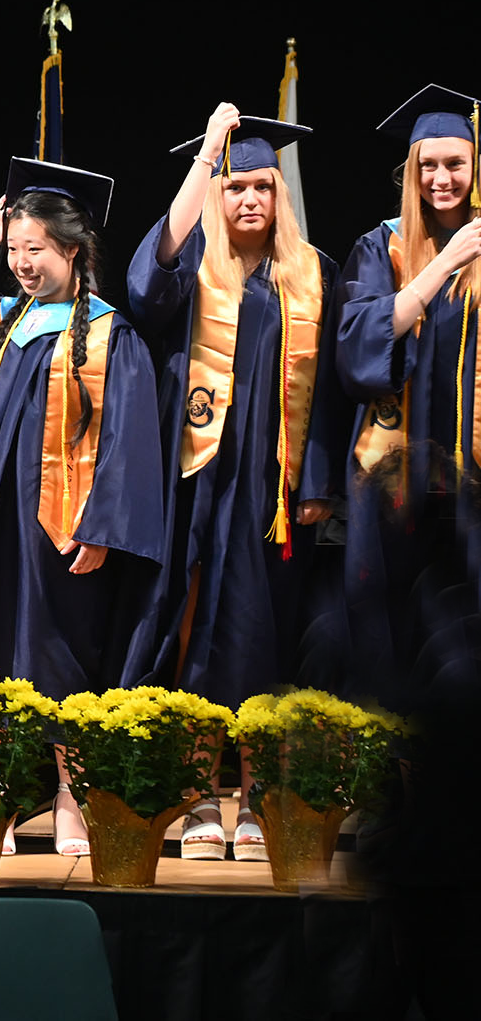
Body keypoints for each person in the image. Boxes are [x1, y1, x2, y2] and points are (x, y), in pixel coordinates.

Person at [0, 158, 165, 855]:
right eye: (15, 249)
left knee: (62, 660)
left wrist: (103, 529)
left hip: (61, 529)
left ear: (72, 251)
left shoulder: (110, 334)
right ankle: (5, 800)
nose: (21, 263)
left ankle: (72, 802)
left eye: (34, 249)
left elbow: (128, 443)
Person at [125, 107, 346, 861]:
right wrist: (204, 159)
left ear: (281, 195)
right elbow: (143, 289)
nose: (250, 198)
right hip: (196, 480)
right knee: (189, 630)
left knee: (261, 635)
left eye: (263, 186)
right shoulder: (194, 264)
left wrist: (316, 480)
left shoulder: (314, 273)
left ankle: (253, 798)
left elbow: (332, 388)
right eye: (235, 186)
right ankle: (196, 800)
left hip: (271, 493)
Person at [338, 85, 481, 703]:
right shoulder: (384, 245)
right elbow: (359, 342)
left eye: (455, 164)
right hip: (400, 475)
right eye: (429, 165)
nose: (441, 179)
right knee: (391, 619)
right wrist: (445, 262)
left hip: (477, 469)